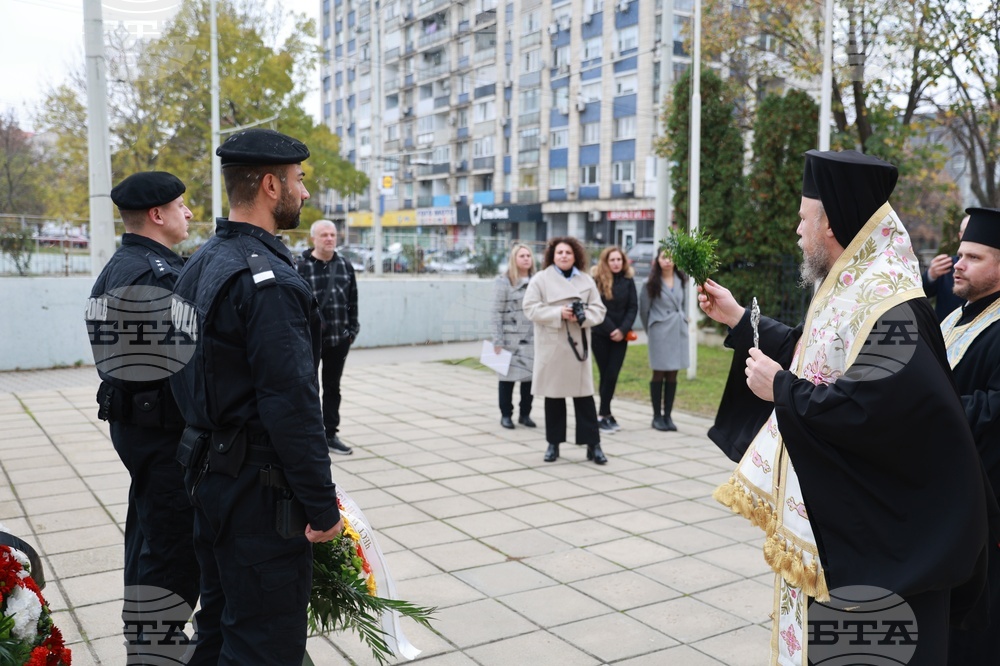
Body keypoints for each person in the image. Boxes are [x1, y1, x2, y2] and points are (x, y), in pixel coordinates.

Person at [698, 149, 990, 666]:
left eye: (804, 218)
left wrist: (783, 391)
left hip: (876, 542)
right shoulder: (854, 288)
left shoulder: (888, 301)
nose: (797, 230)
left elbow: (883, 410)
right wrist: (742, 320)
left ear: (830, 222)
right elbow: (821, 359)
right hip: (847, 525)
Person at [169, 129, 344, 665]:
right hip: (258, 498)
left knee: (221, 628)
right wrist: (321, 506)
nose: (304, 193)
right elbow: (292, 406)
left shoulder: (201, 262)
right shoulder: (267, 282)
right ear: (271, 185)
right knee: (263, 644)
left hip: (209, 476)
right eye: (298, 181)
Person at [85, 171, 200, 655]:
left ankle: (149, 645)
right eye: (181, 205)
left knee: (149, 542)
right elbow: (185, 366)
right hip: (162, 437)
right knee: (171, 557)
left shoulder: (122, 265)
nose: (189, 213)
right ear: (157, 215)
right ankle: (155, 654)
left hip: (140, 432)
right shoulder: (152, 276)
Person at [940, 207, 1000, 663]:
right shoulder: (957, 314)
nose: (957, 263)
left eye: (973, 257)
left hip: (984, 512)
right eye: (960, 254)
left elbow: (992, 409)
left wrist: (920, 409)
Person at [523, 236, 608, 464]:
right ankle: (553, 444)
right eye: (559, 252)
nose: (563, 256)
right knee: (554, 398)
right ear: (552, 255)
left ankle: (593, 446)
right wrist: (558, 313)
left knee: (585, 400)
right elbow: (530, 308)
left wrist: (582, 317)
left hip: (577, 346)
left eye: (568, 253)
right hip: (552, 346)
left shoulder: (586, 281)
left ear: (575, 256)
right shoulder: (540, 279)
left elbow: (599, 310)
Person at [296, 219, 358, 455]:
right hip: (308, 341)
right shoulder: (300, 266)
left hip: (338, 340)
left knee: (333, 387)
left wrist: (352, 331)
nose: (329, 239)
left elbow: (353, 300)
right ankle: (310, 434)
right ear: (313, 238)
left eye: (332, 234)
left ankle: (330, 433)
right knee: (308, 387)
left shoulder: (345, 265)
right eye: (324, 235)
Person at [639, 248, 688, 432]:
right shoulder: (649, 283)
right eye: (663, 257)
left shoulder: (681, 280)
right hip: (659, 332)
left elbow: (682, 305)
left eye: (671, 257)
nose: (667, 260)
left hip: (677, 331)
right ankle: (656, 417)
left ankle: (668, 416)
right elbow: (644, 311)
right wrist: (651, 329)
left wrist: (684, 319)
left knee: (673, 374)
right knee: (659, 373)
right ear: (657, 260)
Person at [590, 246, 637, 432]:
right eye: (612, 260)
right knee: (606, 374)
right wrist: (612, 329)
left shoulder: (628, 280)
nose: (616, 263)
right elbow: (596, 307)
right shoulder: (597, 280)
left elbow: (633, 307)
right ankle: (604, 414)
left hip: (622, 336)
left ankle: (605, 413)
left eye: (619, 260)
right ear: (606, 262)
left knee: (612, 374)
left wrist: (622, 330)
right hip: (600, 334)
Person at [491, 243, 536, 429]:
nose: (526, 258)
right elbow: (496, 312)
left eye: (528, 256)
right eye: (522, 256)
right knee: (506, 380)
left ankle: (525, 414)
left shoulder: (537, 280)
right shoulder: (503, 281)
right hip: (510, 338)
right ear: (514, 259)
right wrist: (497, 340)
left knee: (530, 380)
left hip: (532, 337)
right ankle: (506, 415)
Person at [923, 213, 969, 322]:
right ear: (960, 235)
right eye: (967, 231)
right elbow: (923, 293)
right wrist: (931, 275)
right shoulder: (946, 264)